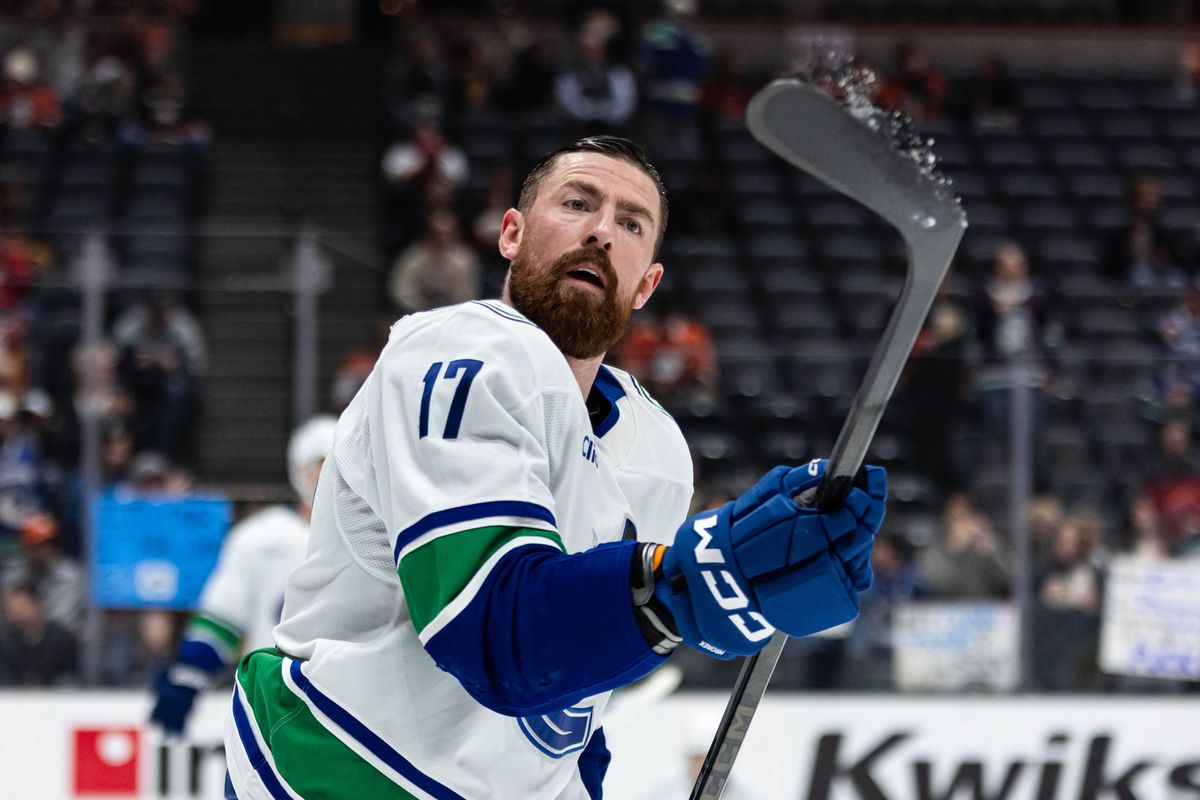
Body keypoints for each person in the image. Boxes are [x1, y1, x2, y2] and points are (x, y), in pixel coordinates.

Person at [222, 137, 887, 800]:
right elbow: (491, 634)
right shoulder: (456, 350)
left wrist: (736, 590)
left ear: (647, 284)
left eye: (631, 224)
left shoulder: (659, 453)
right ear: (511, 234)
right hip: (340, 768)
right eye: (577, 204)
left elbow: (573, 698)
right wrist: (694, 582)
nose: (601, 232)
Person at [149, 416, 336, 736]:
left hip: (351, 704)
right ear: (298, 471)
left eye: (337, 465)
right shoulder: (258, 539)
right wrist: (188, 677)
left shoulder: (378, 537)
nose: (330, 476)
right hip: (275, 702)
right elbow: (223, 619)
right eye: (321, 465)